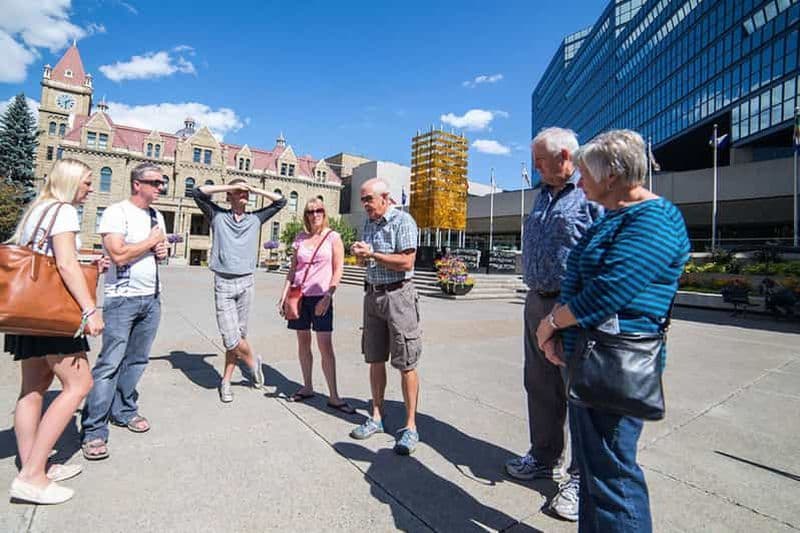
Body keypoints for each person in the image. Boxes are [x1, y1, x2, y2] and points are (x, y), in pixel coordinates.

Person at [536, 129, 690, 532]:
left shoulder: (655, 218)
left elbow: (607, 292)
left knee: (613, 474)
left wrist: (551, 324)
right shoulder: (617, 218)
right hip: (591, 356)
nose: (580, 180)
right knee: (594, 471)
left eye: (585, 172)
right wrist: (560, 335)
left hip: (616, 364)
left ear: (611, 176)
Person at [506, 127, 600, 522]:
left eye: (541, 161)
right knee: (540, 385)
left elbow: (600, 258)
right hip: (536, 302)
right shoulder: (542, 196)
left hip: (572, 307)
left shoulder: (591, 197)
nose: (536, 167)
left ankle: (581, 478)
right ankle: (545, 457)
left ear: (565, 157)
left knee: (579, 395)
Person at [5, 159, 105, 504]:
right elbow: (63, 263)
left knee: (32, 389)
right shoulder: (63, 210)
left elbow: (45, 257)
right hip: (53, 313)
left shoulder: (39, 208)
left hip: (26, 309)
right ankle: (33, 476)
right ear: (71, 182)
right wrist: (90, 308)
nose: (90, 189)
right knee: (79, 384)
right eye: (87, 183)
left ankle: (34, 463)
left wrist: (88, 262)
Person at [81, 163, 169, 460]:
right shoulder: (116, 212)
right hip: (122, 299)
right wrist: (150, 243)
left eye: (162, 182)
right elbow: (117, 254)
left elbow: (159, 251)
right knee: (110, 363)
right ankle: (94, 429)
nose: (161, 187)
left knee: (137, 361)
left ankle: (124, 410)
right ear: (137, 184)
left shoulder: (156, 216)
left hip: (151, 298)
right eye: (155, 182)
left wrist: (161, 250)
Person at [193, 178, 285, 402]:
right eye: (238, 191)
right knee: (230, 338)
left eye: (245, 192)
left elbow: (280, 202)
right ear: (230, 196)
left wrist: (252, 188)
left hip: (246, 283)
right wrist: (230, 187)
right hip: (223, 283)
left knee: (239, 336)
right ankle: (253, 362)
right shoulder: (218, 216)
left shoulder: (255, 219)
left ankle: (226, 381)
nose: (243, 194)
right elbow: (197, 193)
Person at [349, 178, 422, 455]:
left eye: (369, 199)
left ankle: (411, 427)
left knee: (406, 362)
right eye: (363, 200)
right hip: (372, 295)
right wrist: (360, 255)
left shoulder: (403, 221)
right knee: (374, 358)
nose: (365, 204)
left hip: (398, 296)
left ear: (385, 198)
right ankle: (376, 417)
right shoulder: (368, 223)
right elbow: (366, 259)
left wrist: (374, 255)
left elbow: (407, 262)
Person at [279, 198, 353, 413]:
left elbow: (338, 268)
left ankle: (334, 396)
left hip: (321, 296)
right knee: (303, 343)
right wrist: (284, 295)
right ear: (306, 215)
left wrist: (329, 294)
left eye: (319, 210)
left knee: (325, 346)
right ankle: (308, 386)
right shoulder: (300, 238)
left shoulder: (333, 237)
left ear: (324, 212)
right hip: (299, 296)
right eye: (311, 211)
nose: (315, 214)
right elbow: (293, 269)